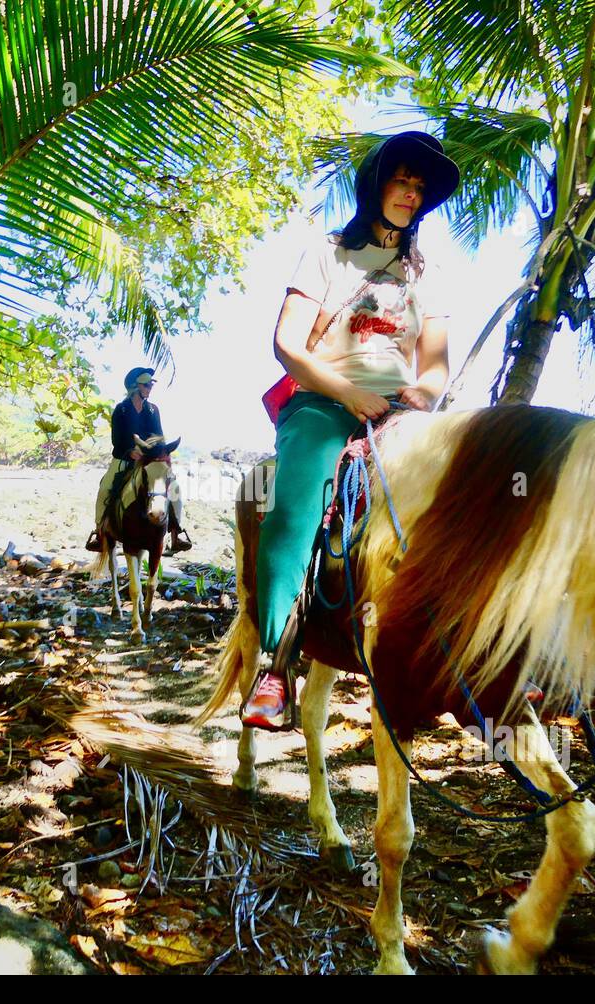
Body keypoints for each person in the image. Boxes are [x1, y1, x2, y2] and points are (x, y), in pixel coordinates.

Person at [240, 131, 460, 731]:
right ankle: (275, 662)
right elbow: (287, 344)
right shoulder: (328, 253)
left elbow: (436, 361)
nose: (411, 196)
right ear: (376, 185)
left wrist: (428, 390)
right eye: (402, 181)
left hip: (402, 409)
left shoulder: (428, 274)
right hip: (325, 399)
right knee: (295, 505)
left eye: (420, 188)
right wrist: (347, 393)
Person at [86, 367, 193, 553]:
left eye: (151, 385)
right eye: (146, 385)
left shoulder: (153, 410)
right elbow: (116, 440)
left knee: (174, 488)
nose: (150, 388)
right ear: (135, 387)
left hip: (150, 461)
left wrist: (163, 455)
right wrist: (130, 452)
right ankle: (99, 532)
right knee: (105, 488)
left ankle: (177, 532)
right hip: (124, 459)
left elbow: (158, 437)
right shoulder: (122, 409)